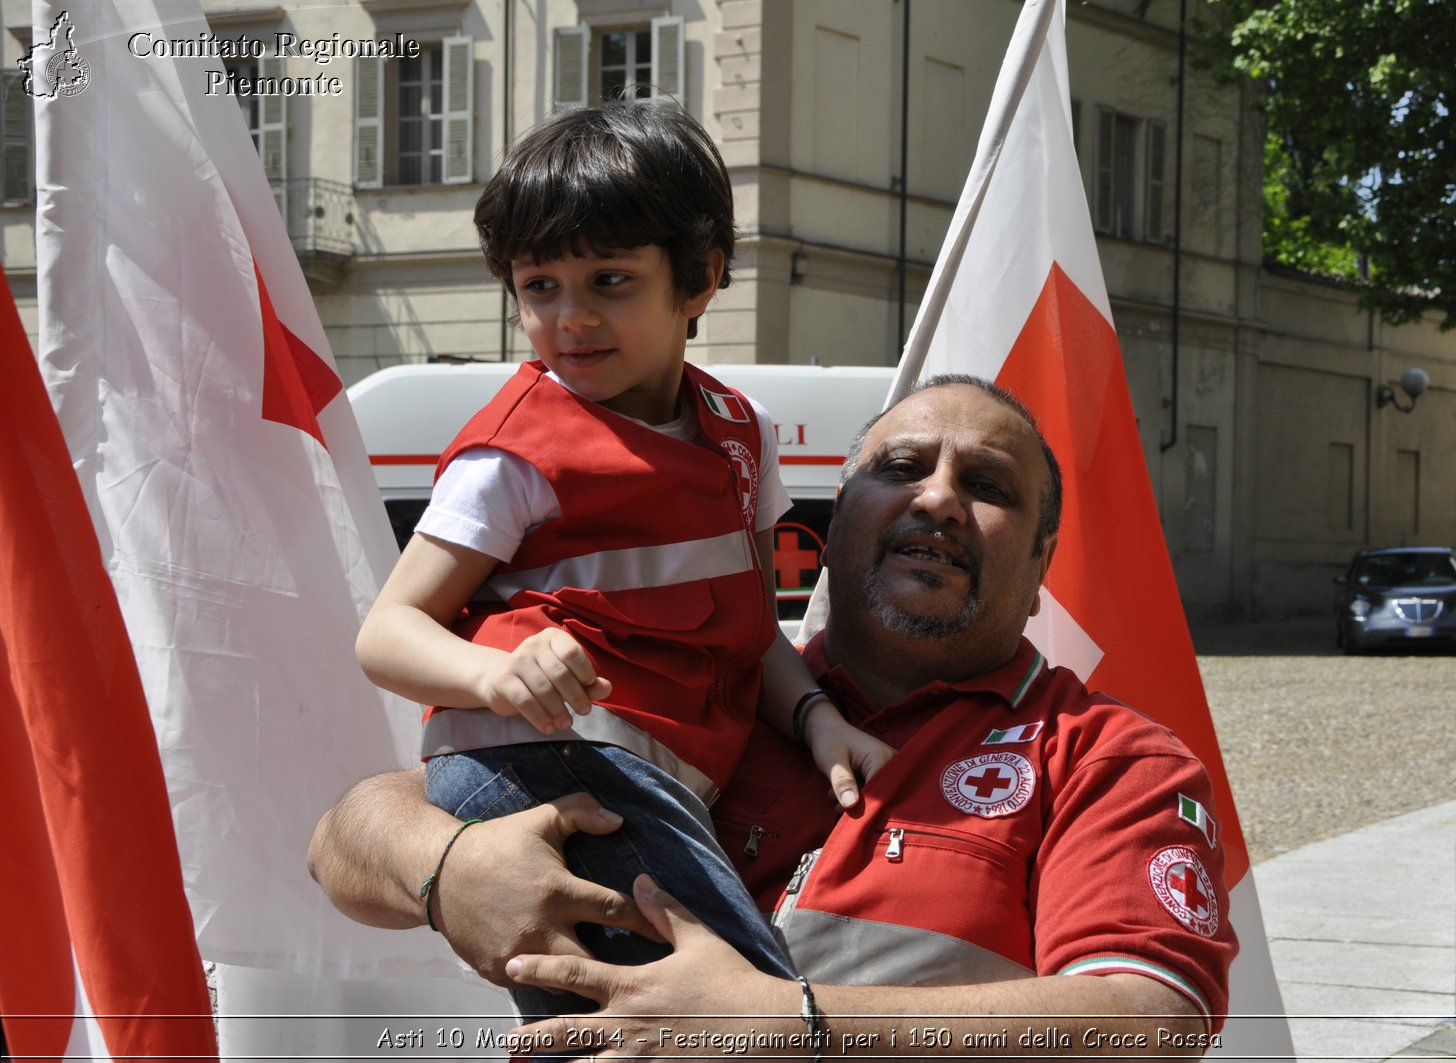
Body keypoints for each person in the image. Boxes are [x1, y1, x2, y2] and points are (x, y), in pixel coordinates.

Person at [313, 377, 1238, 1056]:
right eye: (903, 467)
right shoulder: (701, 686)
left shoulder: (1111, 758)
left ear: (1042, 565)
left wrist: (789, 1022)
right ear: (828, 529)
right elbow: (347, 840)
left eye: (988, 486)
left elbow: (1149, 1018)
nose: (940, 497)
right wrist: (448, 866)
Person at [352, 99, 893, 1032]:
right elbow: (385, 633)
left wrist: (816, 718)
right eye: (540, 286)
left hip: (639, 772)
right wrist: (497, 670)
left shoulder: (741, 433)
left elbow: (749, 625)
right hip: (544, 760)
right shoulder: (512, 452)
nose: (571, 318)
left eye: (609, 279)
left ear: (701, 279)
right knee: (739, 1009)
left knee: (629, 1025)